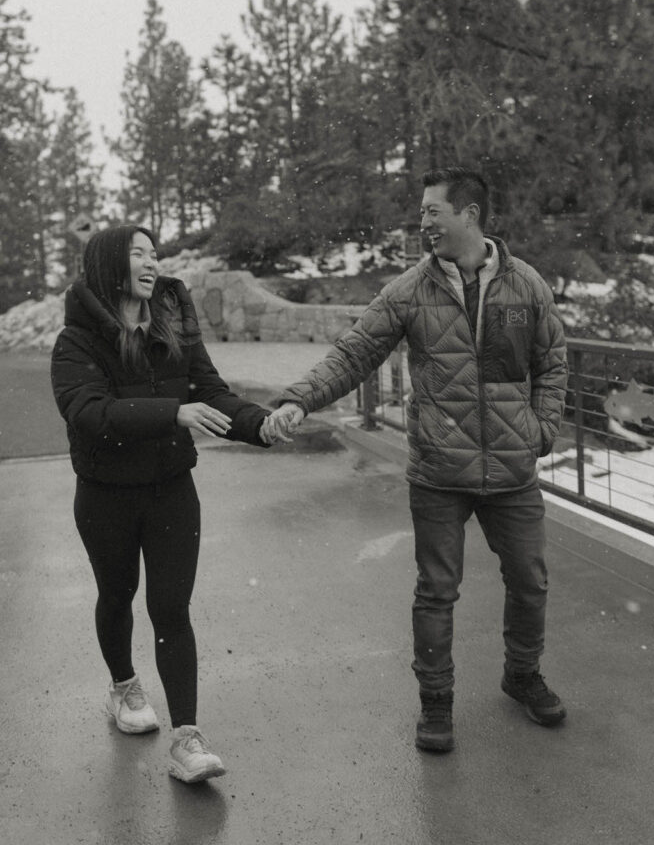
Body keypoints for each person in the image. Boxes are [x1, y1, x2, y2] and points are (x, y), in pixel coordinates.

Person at [264, 168, 568, 753]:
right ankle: (436, 701)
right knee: (436, 591)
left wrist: (543, 430)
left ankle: (522, 674)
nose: (423, 222)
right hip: (438, 472)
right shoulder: (408, 290)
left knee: (529, 581)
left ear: (470, 214)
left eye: (433, 211)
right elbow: (354, 354)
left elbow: (552, 363)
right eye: (422, 212)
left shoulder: (527, 285)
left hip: (512, 472)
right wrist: (299, 400)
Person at [51, 225, 285, 783]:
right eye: (138, 254)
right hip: (105, 494)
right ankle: (124, 686)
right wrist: (170, 412)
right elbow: (89, 413)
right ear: (110, 265)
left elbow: (211, 390)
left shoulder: (172, 326)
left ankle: (187, 737)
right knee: (118, 594)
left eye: (155, 253)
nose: (152, 263)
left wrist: (261, 424)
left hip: (172, 489)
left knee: (171, 609)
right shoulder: (76, 341)